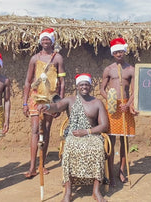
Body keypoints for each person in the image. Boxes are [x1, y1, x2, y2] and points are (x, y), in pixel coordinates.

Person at [38, 73, 108, 202]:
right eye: (81, 84)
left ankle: (96, 191)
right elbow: (57, 106)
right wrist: (47, 106)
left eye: (87, 84)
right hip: (73, 134)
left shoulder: (97, 102)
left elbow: (104, 126)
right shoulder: (70, 100)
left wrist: (87, 131)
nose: (84, 87)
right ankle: (68, 192)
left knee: (98, 149)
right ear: (77, 86)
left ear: (90, 86)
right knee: (69, 149)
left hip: (91, 134)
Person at [22, 28, 65, 178]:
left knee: (45, 130)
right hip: (36, 98)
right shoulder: (34, 59)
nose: (45, 42)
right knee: (35, 129)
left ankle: (42, 164)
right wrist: (25, 103)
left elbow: (62, 82)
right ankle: (32, 166)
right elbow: (28, 82)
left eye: (48, 39)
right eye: (43, 39)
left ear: (52, 41)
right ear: (40, 41)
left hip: (51, 99)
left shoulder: (58, 58)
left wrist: (59, 103)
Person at [100, 37, 136, 186]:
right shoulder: (109, 69)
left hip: (125, 107)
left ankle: (121, 170)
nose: (119, 54)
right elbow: (102, 89)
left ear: (124, 51)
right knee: (111, 141)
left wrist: (128, 104)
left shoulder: (131, 69)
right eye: (116, 52)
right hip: (112, 107)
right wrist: (110, 99)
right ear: (113, 53)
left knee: (124, 140)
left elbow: (134, 90)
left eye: (121, 51)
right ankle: (110, 172)